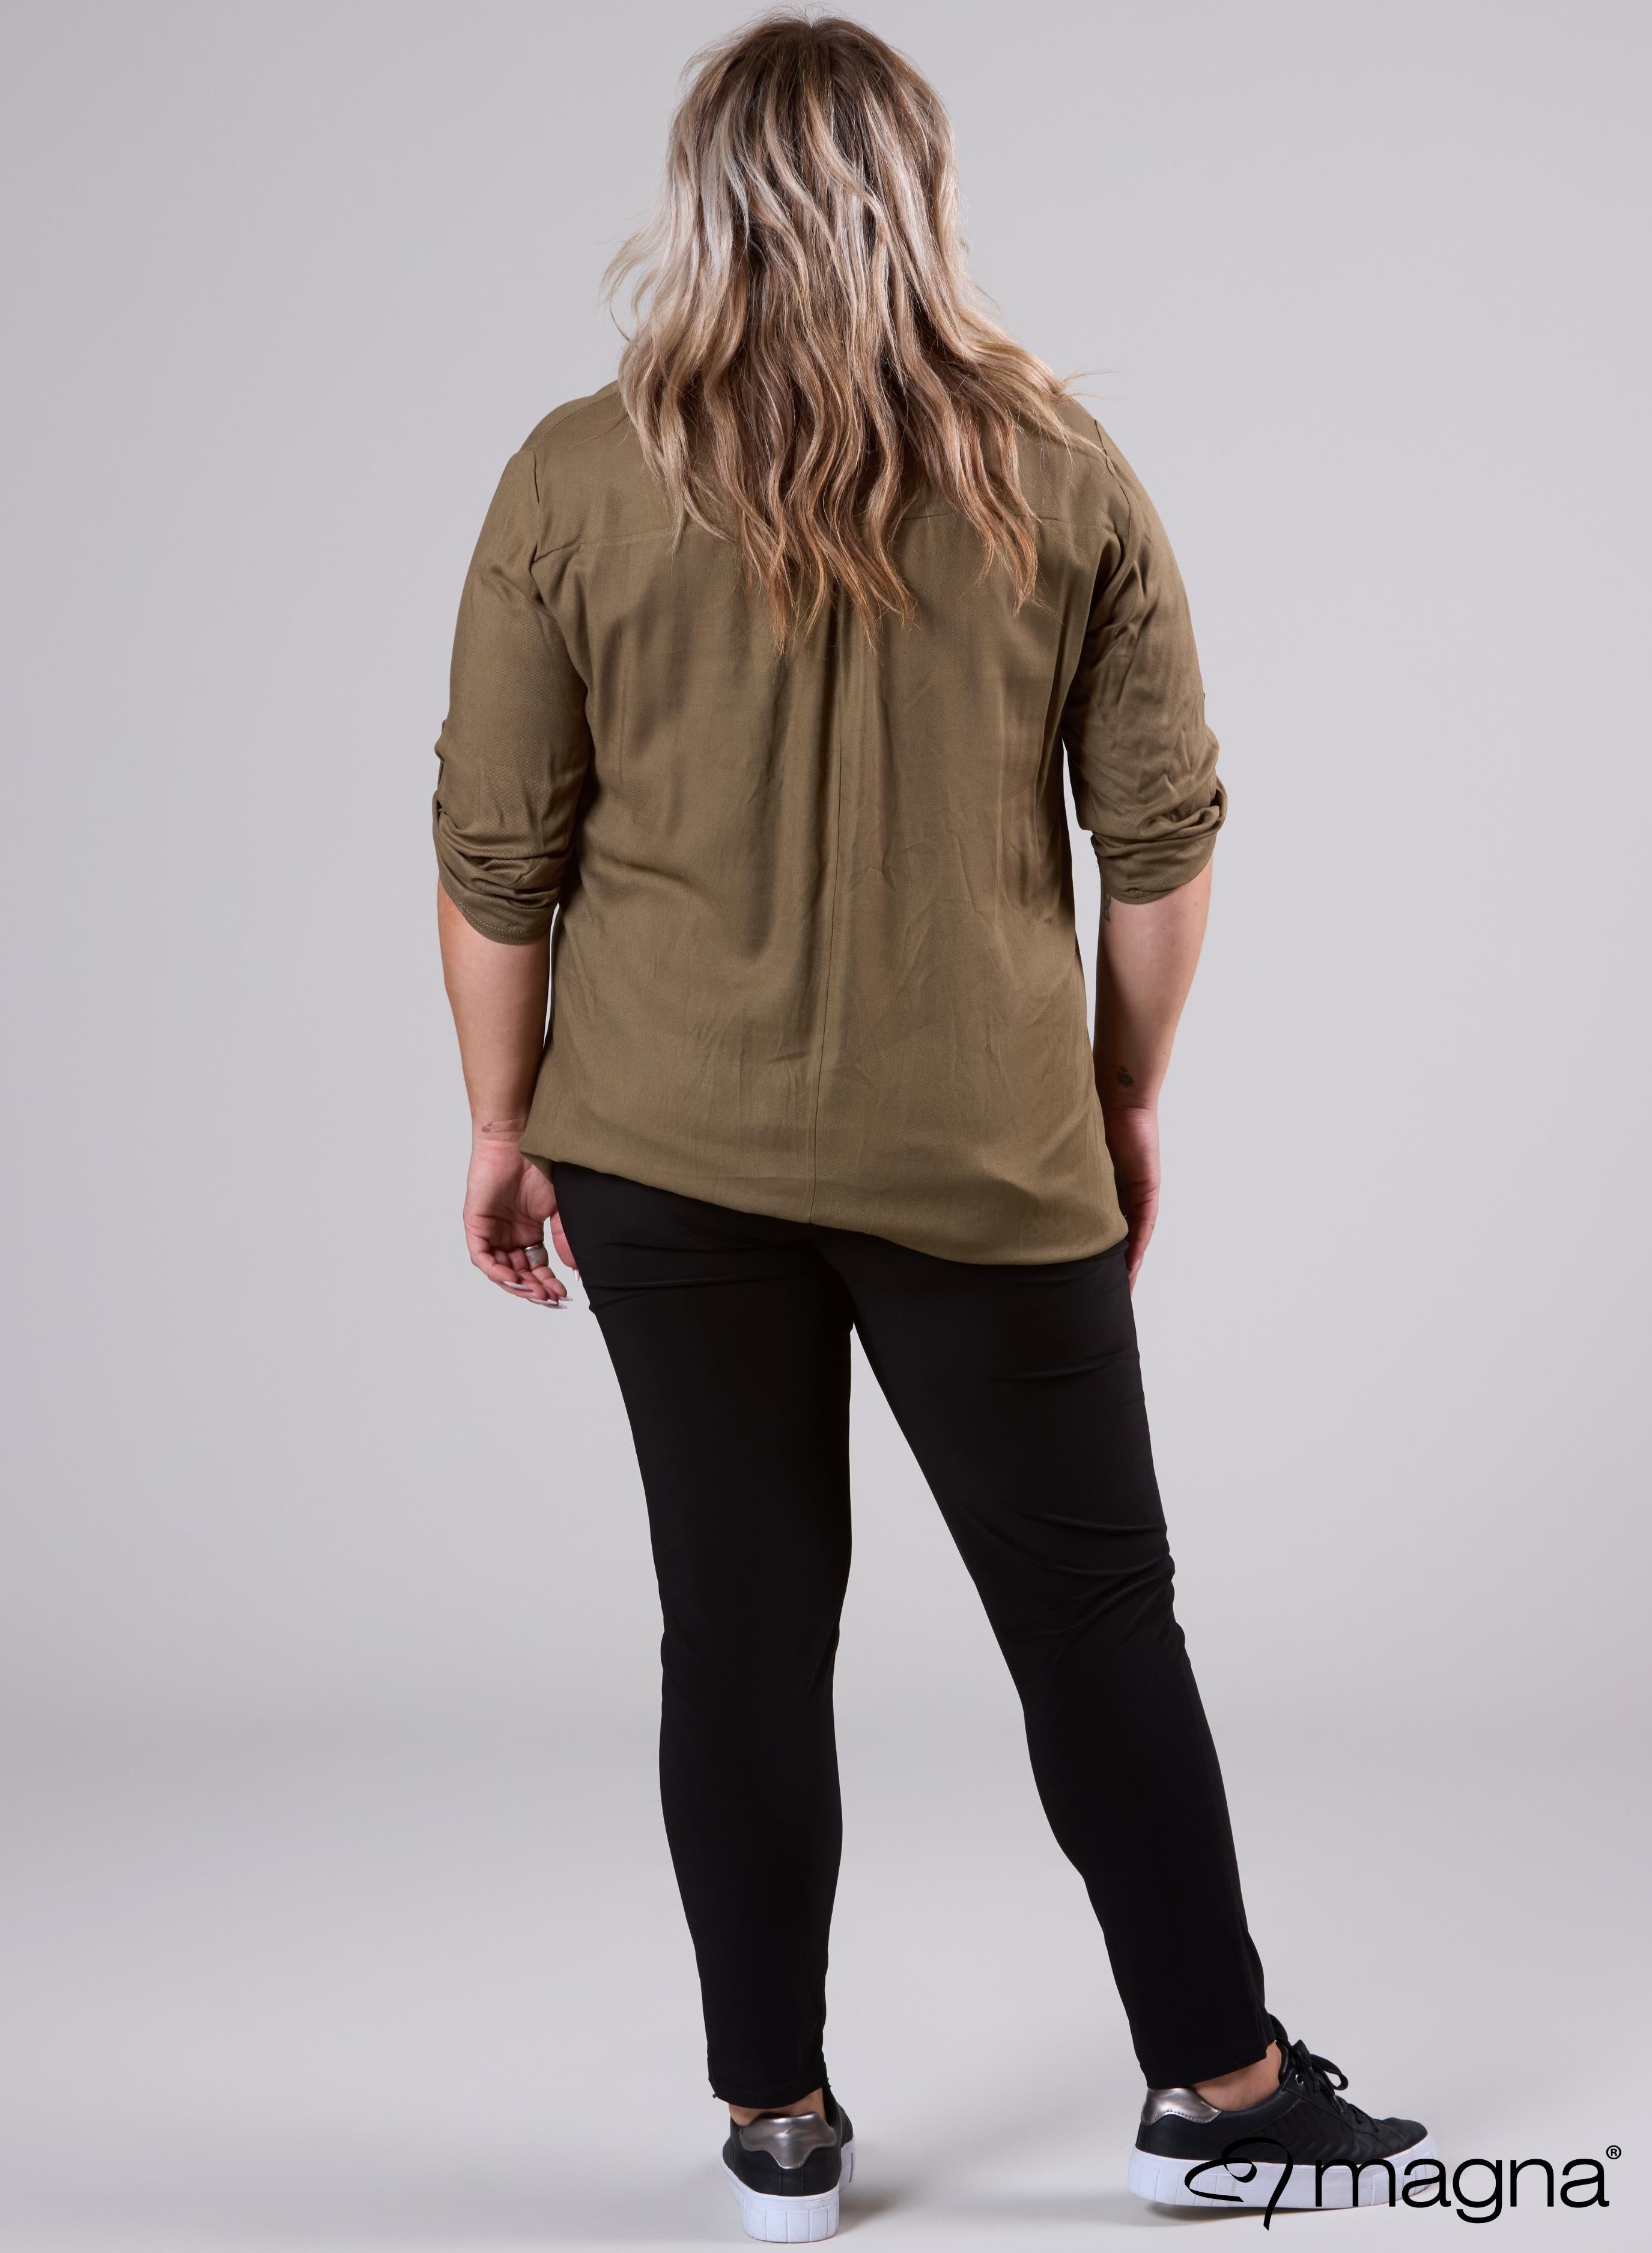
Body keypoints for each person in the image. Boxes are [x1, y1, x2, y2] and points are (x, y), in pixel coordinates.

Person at [433, 14, 1430, 2238]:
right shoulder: (1061, 475)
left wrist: (503, 1118)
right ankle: (1220, 2087)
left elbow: (498, 853)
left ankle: (776, 2125)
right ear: (923, 199)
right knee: (1096, 1618)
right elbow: (1159, 843)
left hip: (660, 1149)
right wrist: (1125, 1092)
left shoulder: (573, 477)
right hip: (988, 1149)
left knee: (741, 1628)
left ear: (702, 204)